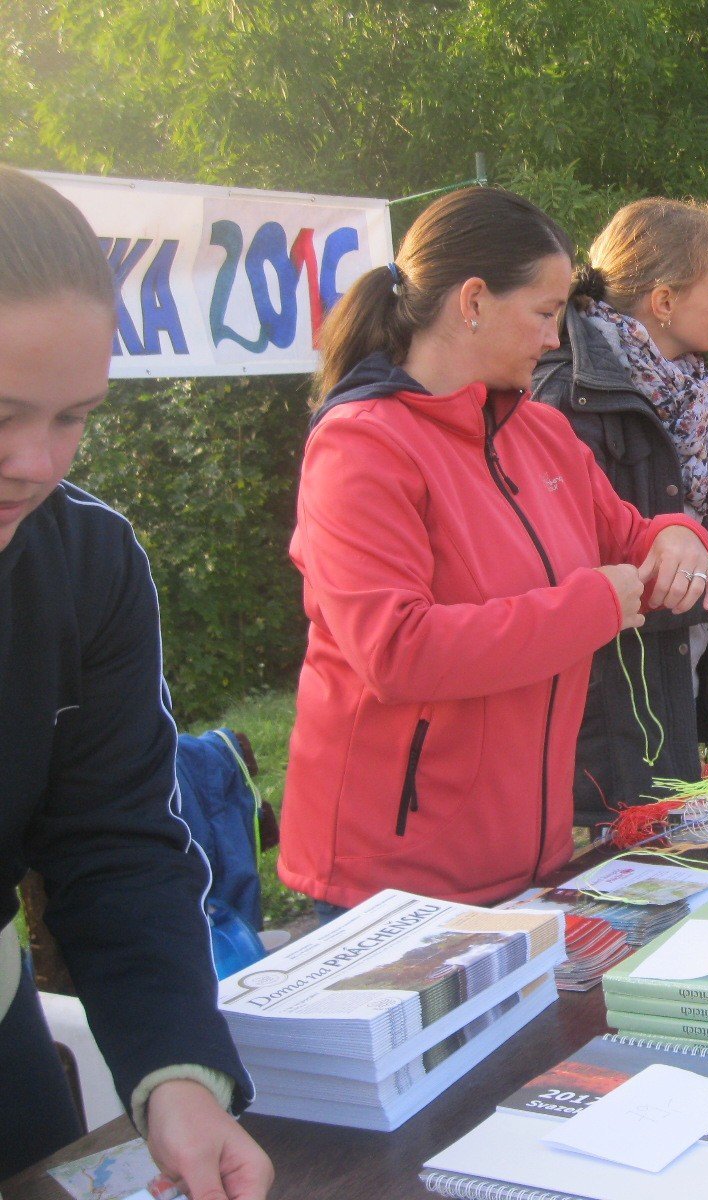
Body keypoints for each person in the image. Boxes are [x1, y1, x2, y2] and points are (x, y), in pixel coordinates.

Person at [277, 187, 708, 916]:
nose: (555, 338)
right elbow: (396, 650)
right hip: (391, 881)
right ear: (473, 301)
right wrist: (594, 606)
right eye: (545, 313)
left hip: (526, 861)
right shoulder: (361, 445)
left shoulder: (539, 433)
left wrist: (678, 535)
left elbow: (632, 531)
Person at [0, 166, 271, 1192]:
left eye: (73, 417)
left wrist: (178, 1073)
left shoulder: (90, 562)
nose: (37, 463)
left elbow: (111, 839)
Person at [531, 198, 708, 817]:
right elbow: (593, 565)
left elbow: (659, 521)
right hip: (609, 721)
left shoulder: (675, 389)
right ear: (663, 301)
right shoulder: (572, 401)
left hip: (661, 694)